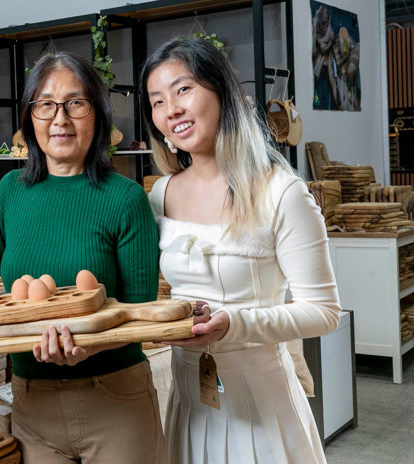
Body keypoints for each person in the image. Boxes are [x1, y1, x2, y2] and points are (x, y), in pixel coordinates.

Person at [0, 52, 166, 463]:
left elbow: (139, 312)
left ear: (97, 114)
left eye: (75, 103)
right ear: (30, 117)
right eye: (45, 104)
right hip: (32, 402)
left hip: (114, 399)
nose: (59, 118)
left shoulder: (126, 199)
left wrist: (89, 347)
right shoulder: (10, 191)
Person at [140, 37, 341, 463]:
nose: (171, 110)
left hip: (263, 411)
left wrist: (235, 324)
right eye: (157, 101)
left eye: (183, 89)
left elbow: (324, 312)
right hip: (190, 407)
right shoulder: (159, 195)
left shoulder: (280, 192)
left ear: (222, 92)